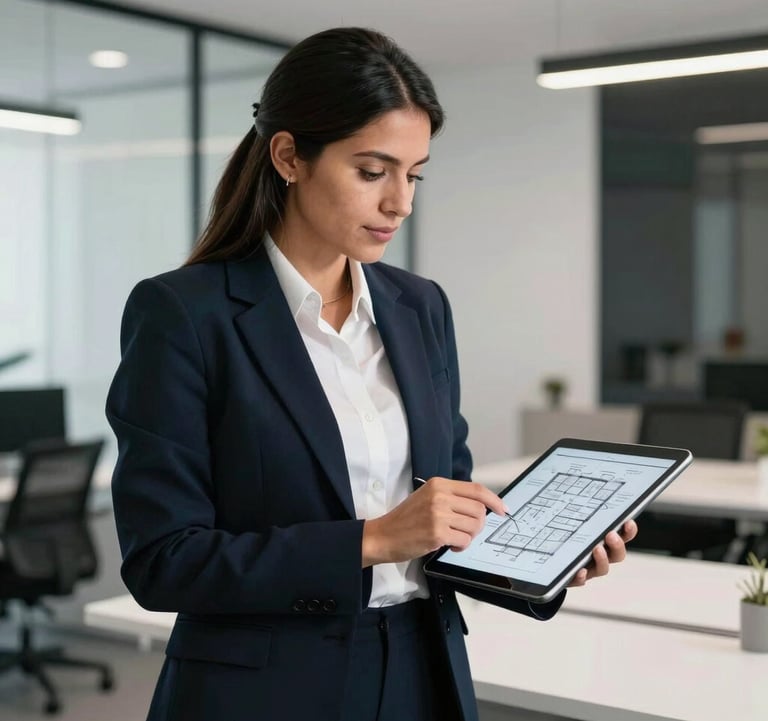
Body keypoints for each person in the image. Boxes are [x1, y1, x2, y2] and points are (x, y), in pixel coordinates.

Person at [106, 26, 636, 721]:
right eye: (372, 170)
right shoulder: (184, 314)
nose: (400, 203)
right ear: (290, 156)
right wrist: (375, 538)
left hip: (422, 667)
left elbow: (445, 520)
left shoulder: (420, 307)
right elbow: (164, 559)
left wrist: (548, 556)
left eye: (413, 174)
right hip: (263, 692)